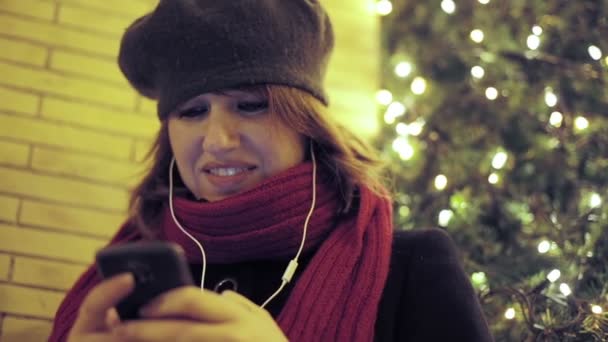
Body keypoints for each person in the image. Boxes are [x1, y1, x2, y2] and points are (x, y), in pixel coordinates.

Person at [49, 1, 494, 341]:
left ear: (306, 123)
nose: (217, 139)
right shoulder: (129, 277)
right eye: (192, 111)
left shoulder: (412, 267)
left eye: (250, 105)